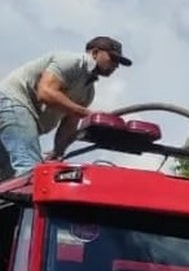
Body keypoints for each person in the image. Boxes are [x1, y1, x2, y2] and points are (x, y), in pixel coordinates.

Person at [0, 36, 132, 180]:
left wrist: (58, 152)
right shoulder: (70, 62)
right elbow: (45, 92)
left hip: (19, 116)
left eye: (118, 62)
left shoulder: (87, 92)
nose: (115, 66)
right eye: (112, 58)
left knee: (8, 176)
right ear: (94, 52)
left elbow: (69, 125)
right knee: (30, 169)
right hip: (12, 102)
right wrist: (84, 112)